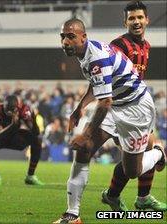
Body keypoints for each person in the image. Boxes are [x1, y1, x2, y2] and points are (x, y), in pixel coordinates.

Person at [53, 18, 165, 224]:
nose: (65, 42)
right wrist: (80, 108)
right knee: (84, 149)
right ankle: (72, 214)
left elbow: (104, 102)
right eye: (63, 37)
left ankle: (158, 153)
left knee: (133, 171)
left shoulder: (97, 59)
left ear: (83, 37)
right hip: (115, 104)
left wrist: (85, 133)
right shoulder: (86, 53)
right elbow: (98, 84)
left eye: (70, 37)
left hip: (135, 108)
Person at [101, 1, 167, 212]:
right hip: (119, 111)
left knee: (143, 150)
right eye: (132, 18)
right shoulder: (118, 46)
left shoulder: (145, 46)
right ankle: (112, 196)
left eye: (140, 17)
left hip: (137, 110)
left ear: (147, 19)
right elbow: (105, 78)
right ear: (125, 21)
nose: (136, 21)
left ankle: (141, 198)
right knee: (135, 160)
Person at [0, 94, 44, 186]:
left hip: (13, 138)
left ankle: (30, 176)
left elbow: (35, 133)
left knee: (37, 139)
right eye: (6, 110)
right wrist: (13, 125)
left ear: (17, 108)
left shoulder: (24, 109)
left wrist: (33, 118)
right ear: (3, 105)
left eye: (11, 110)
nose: (8, 112)